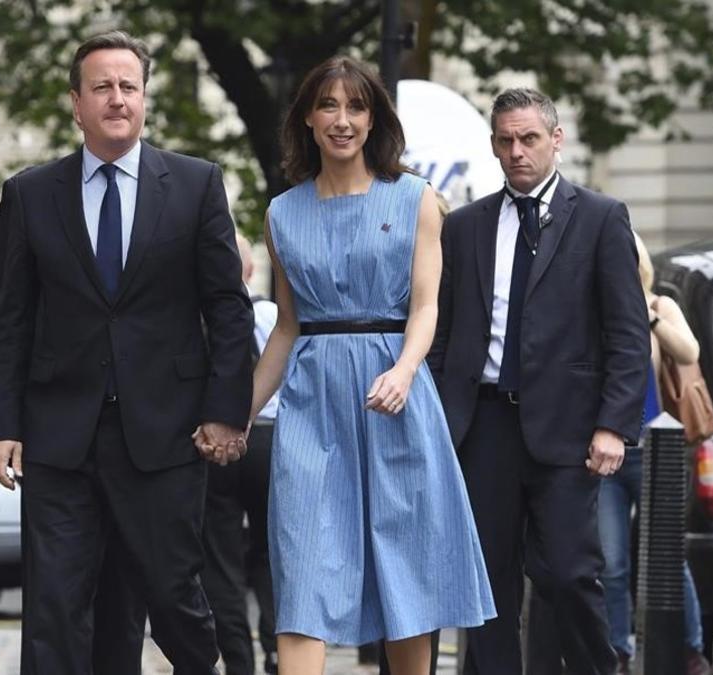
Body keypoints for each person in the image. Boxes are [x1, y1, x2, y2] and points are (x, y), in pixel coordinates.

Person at [0, 30, 254, 675]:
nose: (117, 98)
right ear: (76, 103)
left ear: (145, 98)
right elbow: (4, 318)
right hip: (59, 436)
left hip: (166, 434)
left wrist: (224, 411)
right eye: (101, 87)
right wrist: (0, 425)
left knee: (172, 595)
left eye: (128, 86)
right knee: (55, 604)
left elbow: (228, 308)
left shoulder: (195, 184)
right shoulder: (31, 193)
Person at [225, 55, 495, 675]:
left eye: (356, 107)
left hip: (394, 398)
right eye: (328, 106)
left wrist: (403, 371)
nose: (342, 120)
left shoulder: (417, 199)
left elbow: (426, 308)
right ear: (309, 120)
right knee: (302, 571)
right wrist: (232, 413)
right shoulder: (281, 213)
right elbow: (287, 329)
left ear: (374, 120)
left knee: (404, 578)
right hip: (312, 409)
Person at [428, 87, 650, 674]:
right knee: (486, 584)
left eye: (529, 138)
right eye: (505, 140)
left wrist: (613, 425)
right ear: (494, 144)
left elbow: (628, 333)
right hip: (483, 424)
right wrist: (444, 420)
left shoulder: (601, 218)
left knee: (571, 572)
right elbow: (445, 330)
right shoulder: (467, 226)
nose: (517, 151)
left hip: (569, 426)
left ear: (556, 139)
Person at [597, 232, 710, 675]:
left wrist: (647, 318)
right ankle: (619, 650)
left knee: (667, 555)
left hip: (655, 450)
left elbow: (689, 352)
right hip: (608, 454)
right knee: (611, 562)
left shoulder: (660, 307)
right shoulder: (596, 310)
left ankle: (691, 648)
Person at [200, 231, 280, 675]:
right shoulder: (272, 315)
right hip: (270, 437)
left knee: (220, 555)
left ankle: (237, 659)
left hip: (216, 442)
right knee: (272, 552)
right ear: (250, 270)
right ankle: (276, 647)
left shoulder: (202, 317)